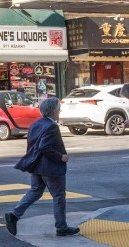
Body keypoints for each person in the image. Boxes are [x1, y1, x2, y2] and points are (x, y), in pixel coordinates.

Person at [5, 97, 79, 237]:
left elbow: (33, 146)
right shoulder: (51, 126)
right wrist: (60, 157)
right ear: (53, 111)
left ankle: (14, 215)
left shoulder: (36, 124)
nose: (60, 110)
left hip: (37, 165)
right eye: (58, 108)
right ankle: (61, 227)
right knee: (58, 196)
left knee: (35, 192)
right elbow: (44, 146)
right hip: (49, 167)